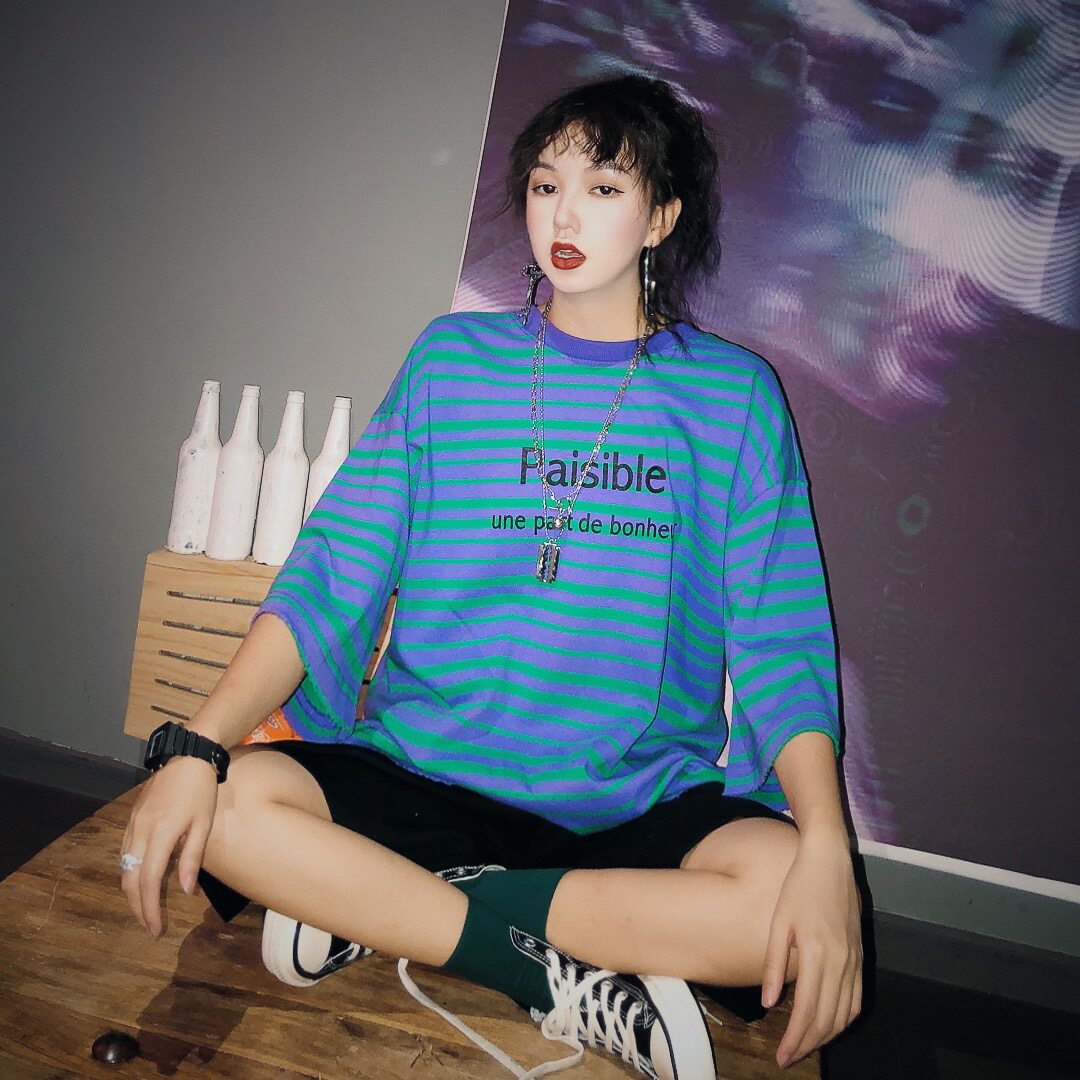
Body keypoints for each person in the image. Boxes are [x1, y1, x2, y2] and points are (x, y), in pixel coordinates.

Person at [120, 73, 862, 1078]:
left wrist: (827, 847)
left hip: (630, 808)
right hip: (420, 776)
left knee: (784, 901)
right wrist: (198, 746)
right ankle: (540, 967)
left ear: (661, 218)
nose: (564, 214)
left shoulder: (734, 398)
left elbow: (782, 637)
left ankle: (384, 906)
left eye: (604, 188)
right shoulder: (450, 363)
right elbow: (333, 573)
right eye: (546, 184)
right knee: (230, 805)